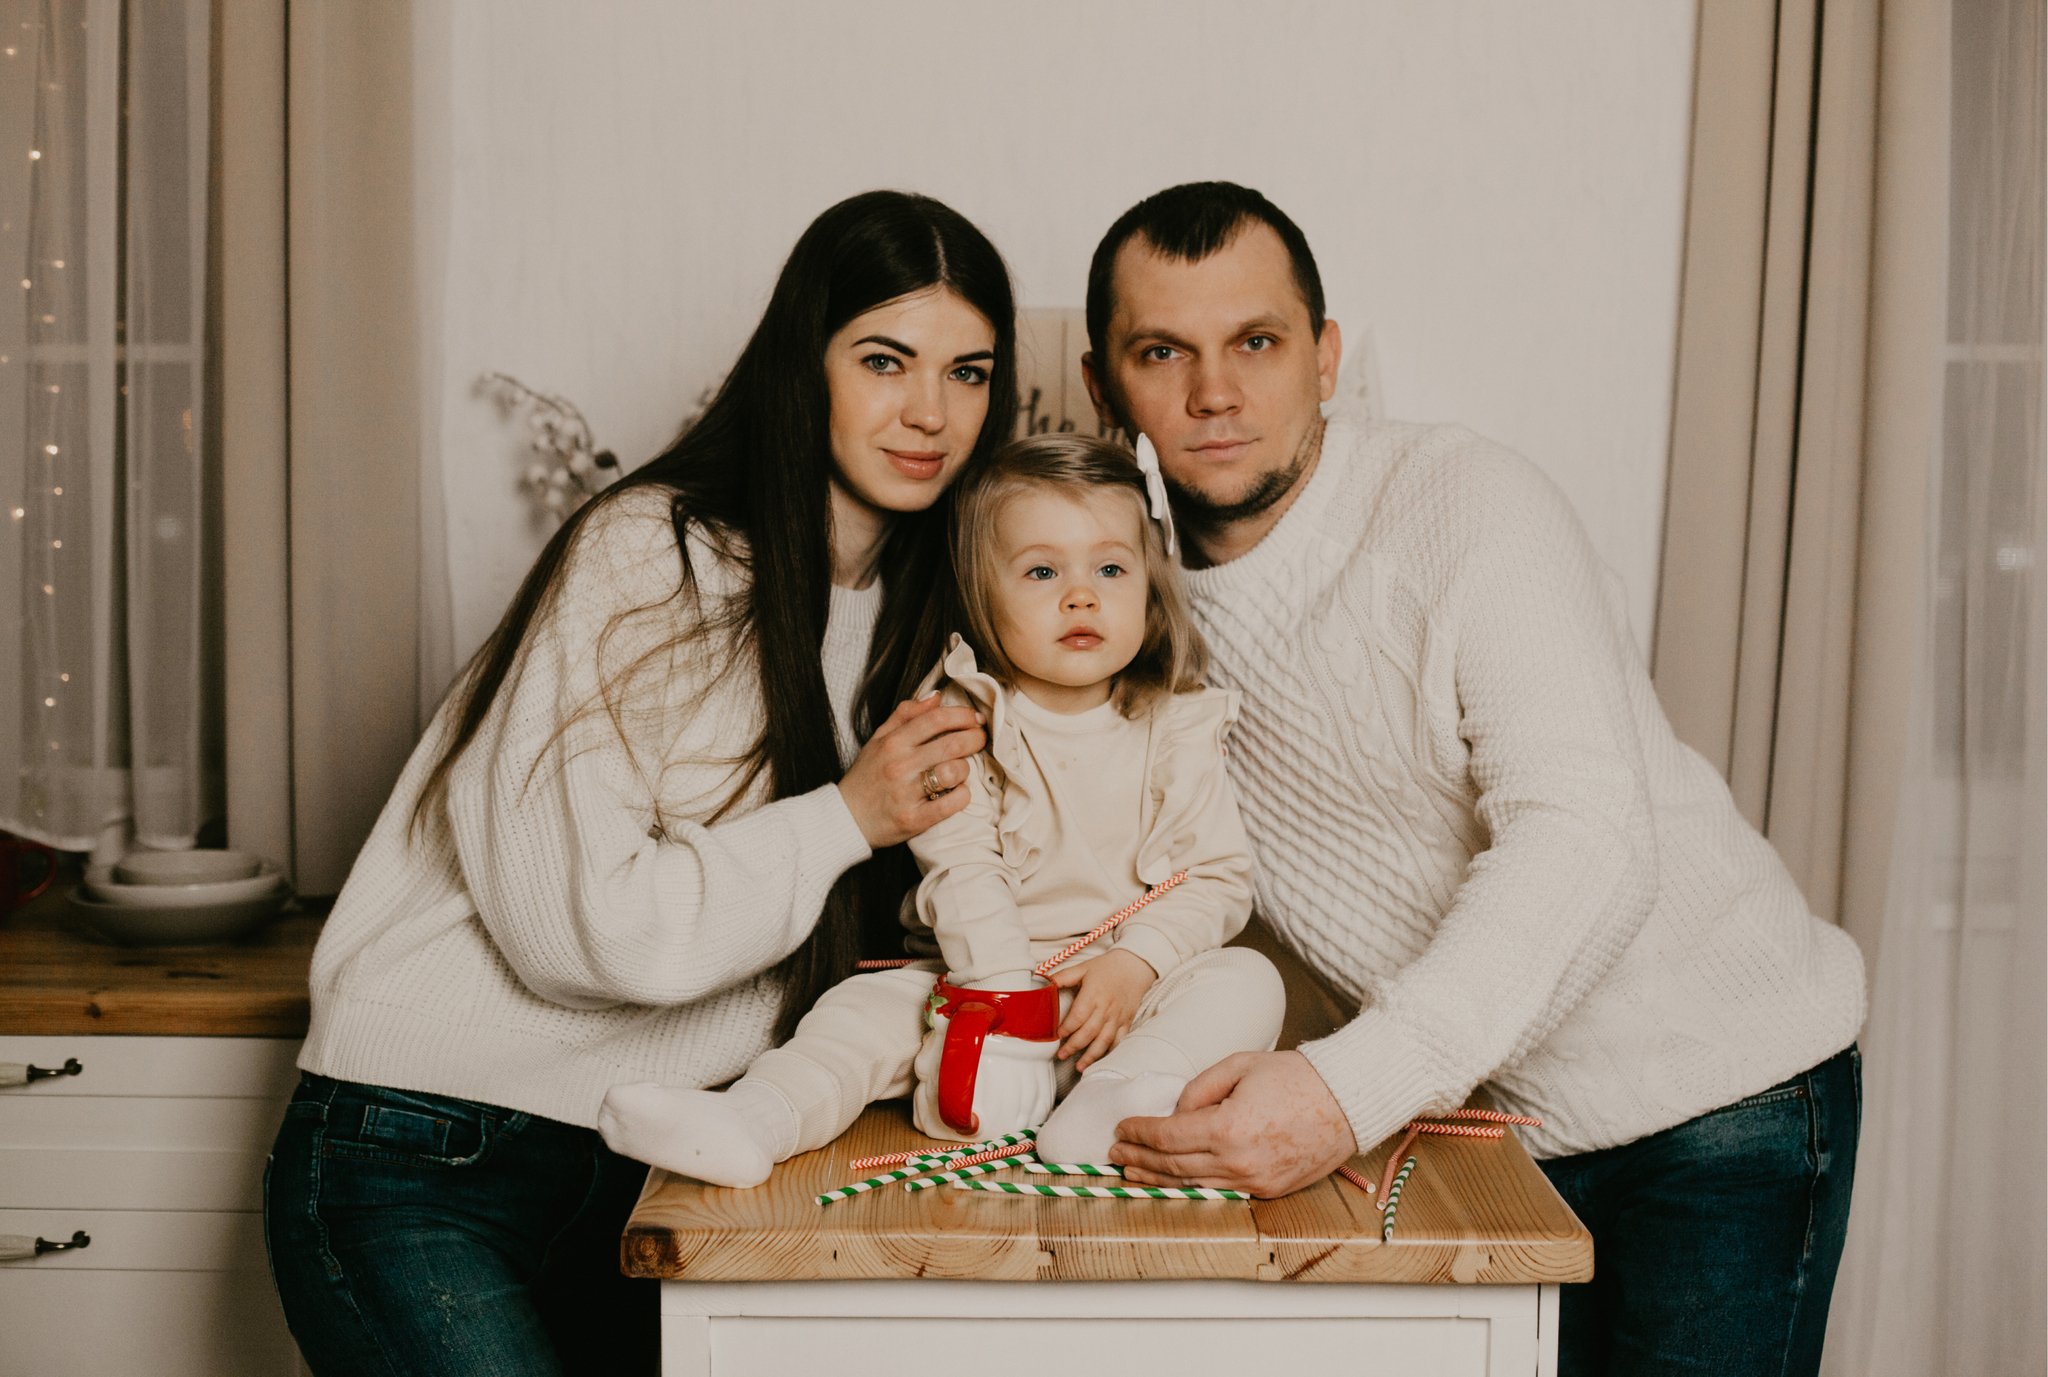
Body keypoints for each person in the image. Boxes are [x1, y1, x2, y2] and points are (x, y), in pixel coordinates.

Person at [1081, 182, 1866, 1377]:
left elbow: (1583, 843)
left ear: (1324, 357)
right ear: (1103, 386)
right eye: (1161, 353)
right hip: (1483, 1122)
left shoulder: (1462, 503)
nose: (1214, 393)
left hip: (1717, 1096)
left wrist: (1339, 1093)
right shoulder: (1115, 598)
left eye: (1256, 342)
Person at [263, 190, 1015, 1377]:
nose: (930, 411)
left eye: (966, 372)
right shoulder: (651, 550)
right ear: (801, 365)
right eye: (884, 360)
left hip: (648, 1165)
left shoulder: (921, 623)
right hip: (425, 1152)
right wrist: (849, 815)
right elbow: (593, 930)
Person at [597, 431, 1285, 1182]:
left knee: (1247, 979)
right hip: (974, 981)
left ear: (1150, 589)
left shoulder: (1178, 724)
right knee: (855, 1014)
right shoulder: (957, 721)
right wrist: (1005, 1000)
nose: (1081, 595)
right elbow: (963, 872)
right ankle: (755, 1119)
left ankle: (1117, 1100)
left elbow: (1214, 877)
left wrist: (1136, 963)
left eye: (1111, 568)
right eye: (1043, 570)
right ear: (982, 594)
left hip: (1120, 994)